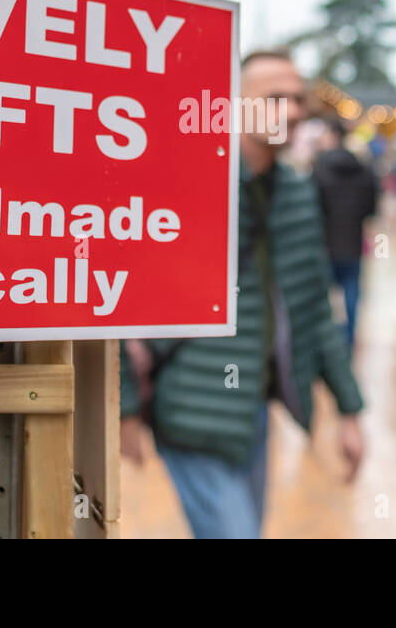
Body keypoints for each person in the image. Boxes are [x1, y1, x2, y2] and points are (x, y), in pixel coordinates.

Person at [118, 50, 365, 539]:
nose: (293, 110)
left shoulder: (295, 189)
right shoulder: (189, 182)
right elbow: (123, 298)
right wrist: (125, 409)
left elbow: (315, 307)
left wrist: (349, 409)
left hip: (253, 407)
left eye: (298, 98)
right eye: (274, 98)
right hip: (190, 404)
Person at [313, 119, 379, 351]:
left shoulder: (319, 168)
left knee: (322, 296)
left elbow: (313, 207)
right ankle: (349, 340)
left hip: (324, 241)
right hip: (352, 240)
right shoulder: (363, 169)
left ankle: (323, 342)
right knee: (352, 293)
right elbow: (371, 208)